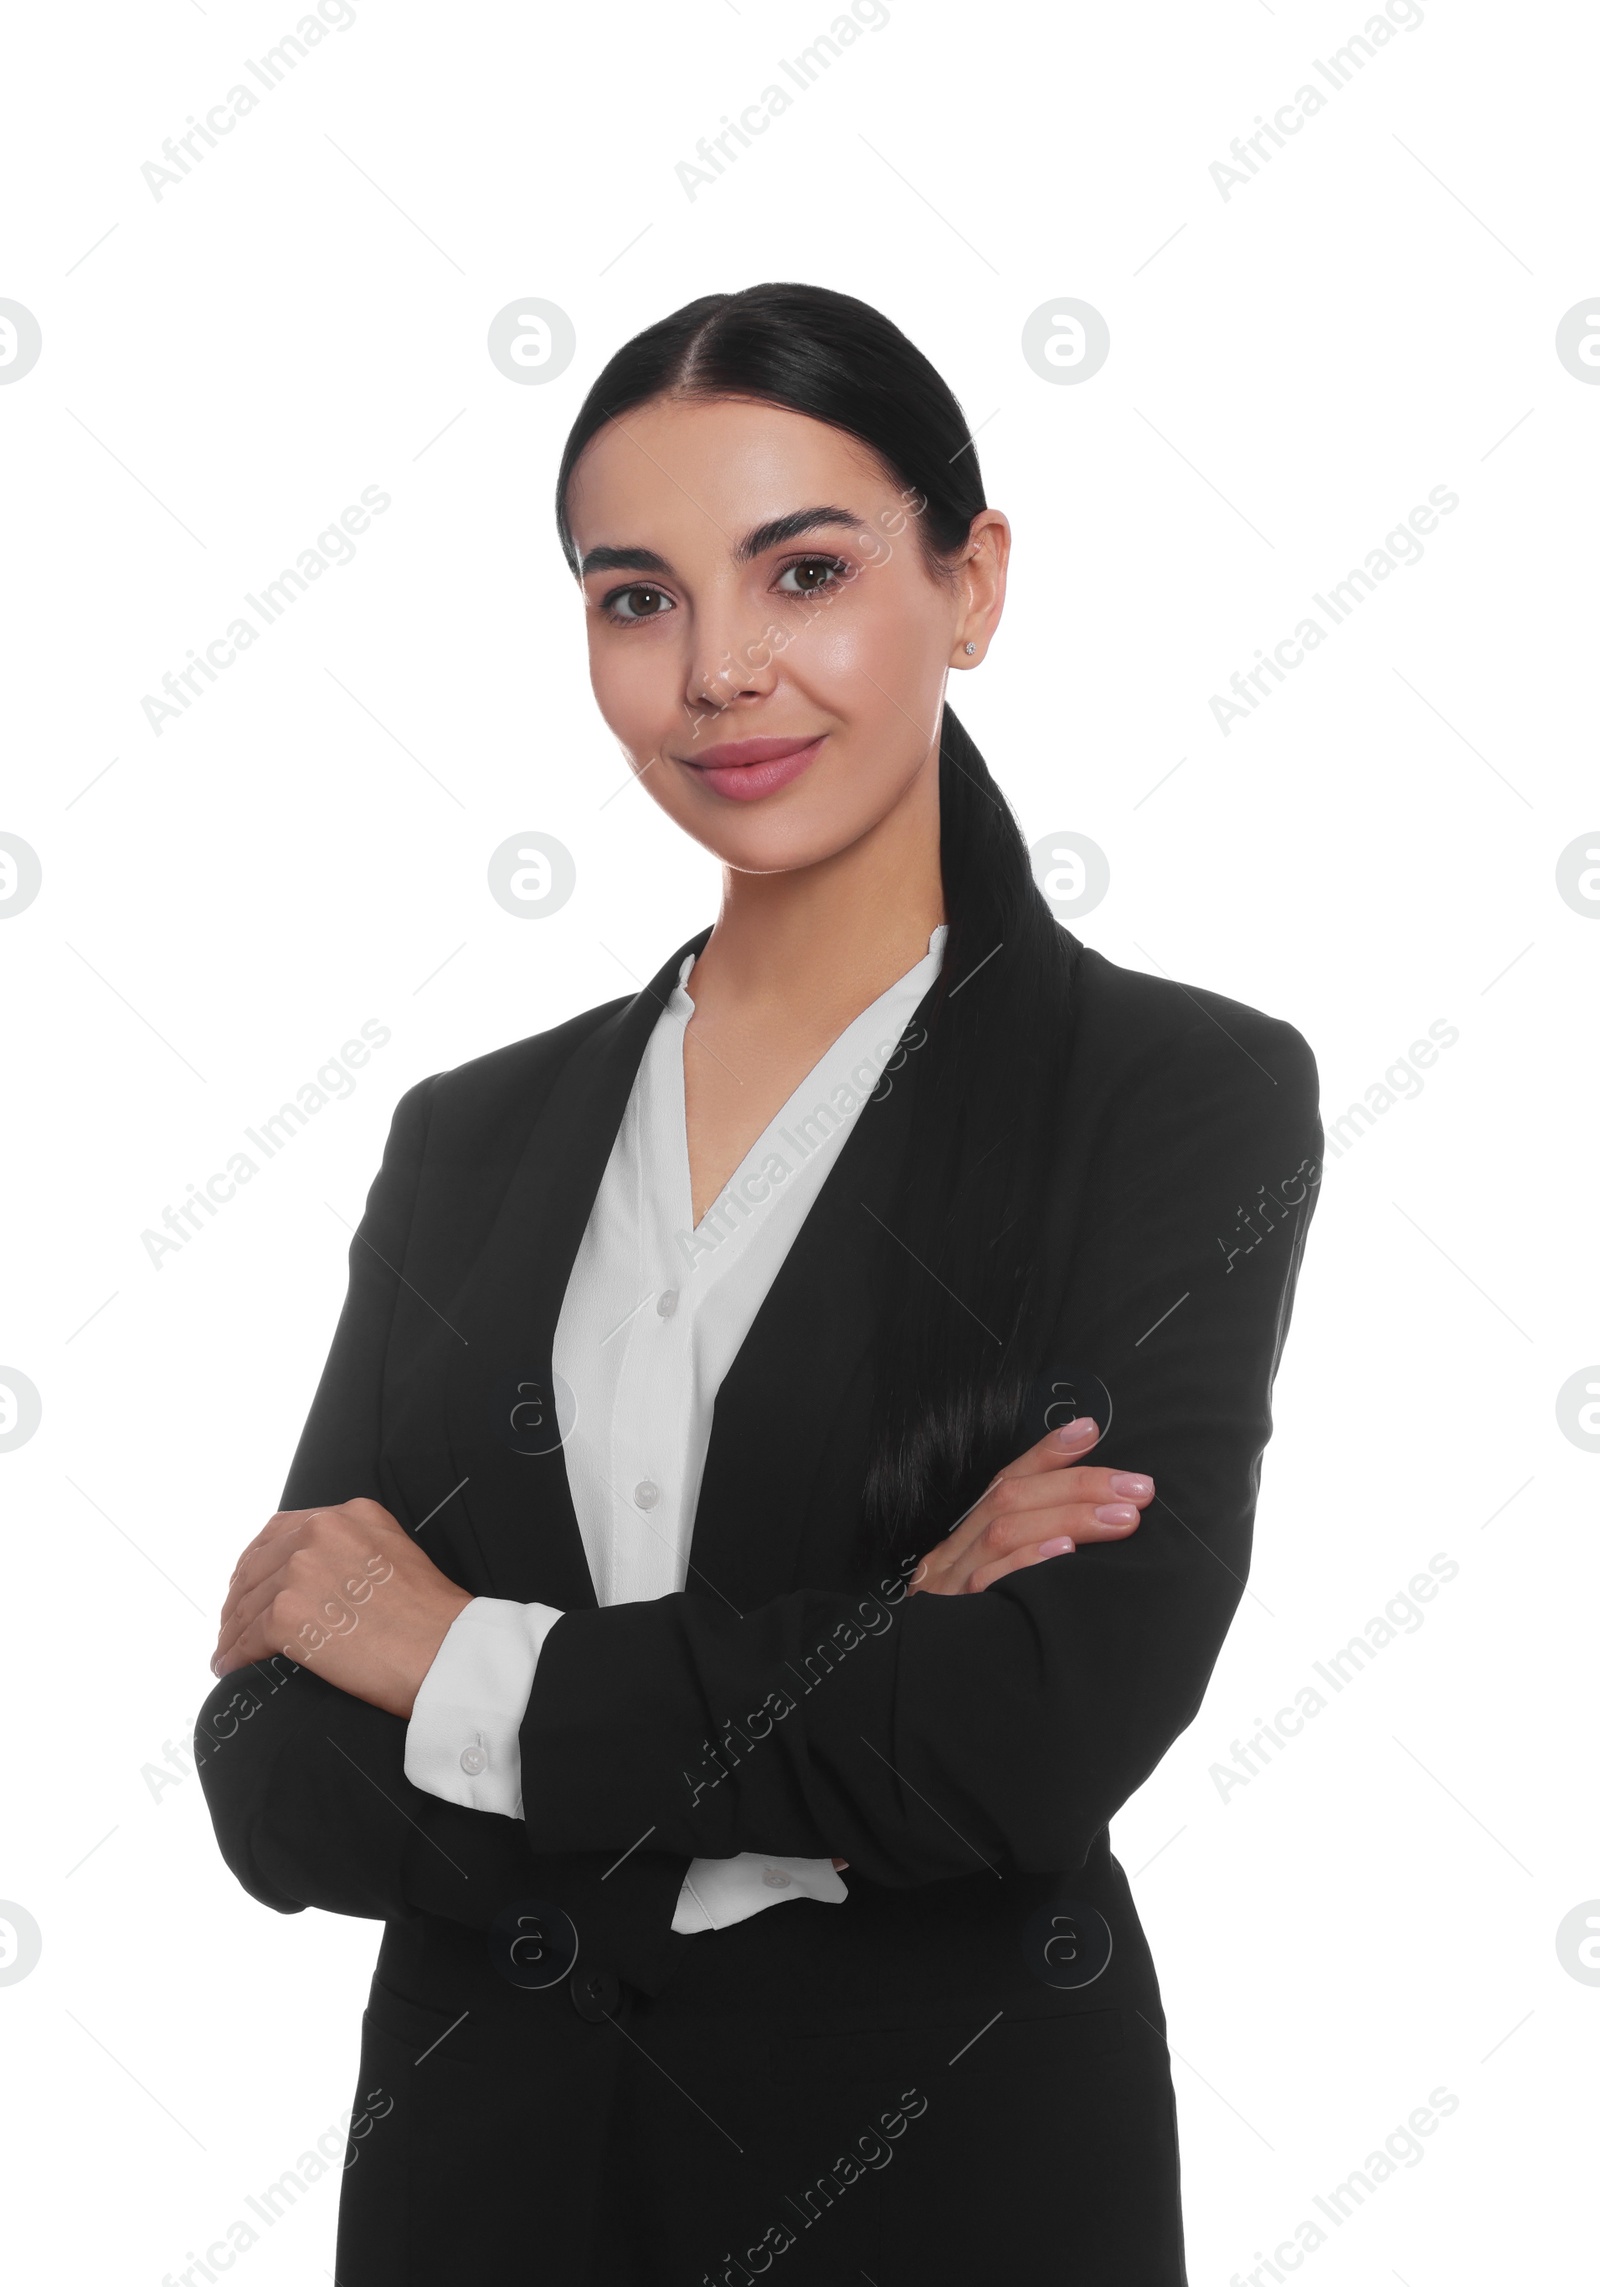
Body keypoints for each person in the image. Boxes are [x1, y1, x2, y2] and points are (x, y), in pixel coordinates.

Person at [198, 281, 1324, 2285]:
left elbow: (1024, 1740)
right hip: (487, 2192)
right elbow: (276, 1771)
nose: (720, 670)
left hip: (946, 2195)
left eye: (799, 571)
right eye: (636, 598)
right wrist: (859, 1662)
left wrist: (456, 1660)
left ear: (968, 582)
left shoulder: (1175, 1096)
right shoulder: (475, 1136)